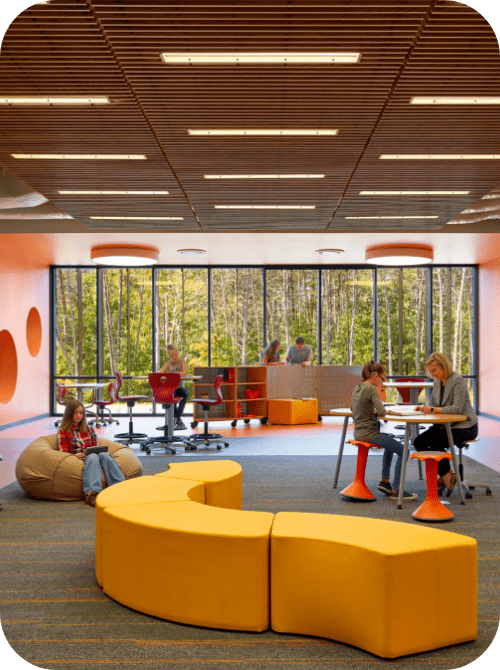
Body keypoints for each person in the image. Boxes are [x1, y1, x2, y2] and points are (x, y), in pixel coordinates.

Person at [351, 360, 417, 501]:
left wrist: (372, 411)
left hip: (358, 432)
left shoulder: (358, 387)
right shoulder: (372, 389)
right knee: (404, 451)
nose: (383, 383)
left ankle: (385, 482)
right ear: (375, 376)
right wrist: (381, 411)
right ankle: (397, 490)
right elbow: (382, 412)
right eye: (383, 379)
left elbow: (355, 409)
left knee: (390, 443)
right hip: (370, 434)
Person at [414, 352, 478, 493]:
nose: (432, 374)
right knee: (419, 442)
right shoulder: (437, 382)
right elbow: (433, 402)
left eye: (434, 370)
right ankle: (447, 474)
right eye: (430, 372)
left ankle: (446, 477)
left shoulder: (457, 381)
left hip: (465, 426)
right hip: (444, 425)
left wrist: (432, 409)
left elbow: (457, 408)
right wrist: (425, 408)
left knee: (436, 443)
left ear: (443, 366)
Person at [57, 398, 125, 507]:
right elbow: (62, 452)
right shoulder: (63, 431)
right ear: (69, 414)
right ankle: (92, 493)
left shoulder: (88, 428)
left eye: (81, 413)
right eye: (75, 413)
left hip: (92, 454)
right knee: (93, 456)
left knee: (105, 455)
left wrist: (96, 449)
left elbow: (96, 445)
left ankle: (120, 487)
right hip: (78, 457)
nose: (78, 415)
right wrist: (74, 455)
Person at [159, 345, 189, 430]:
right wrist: (167, 374)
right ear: (169, 356)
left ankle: (176, 417)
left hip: (179, 387)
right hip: (171, 388)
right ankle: (177, 419)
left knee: (185, 393)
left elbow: (185, 372)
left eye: (176, 355)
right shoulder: (167, 364)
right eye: (172, 356)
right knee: (173, 395)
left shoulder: (182, 362)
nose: (174, 357)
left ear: (178, 354)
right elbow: (161, 373)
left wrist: (174, 374)